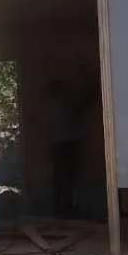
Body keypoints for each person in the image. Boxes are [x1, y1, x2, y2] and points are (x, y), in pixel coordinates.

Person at [47, 73, 95, 219]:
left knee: (59, 177)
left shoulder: (53, 104)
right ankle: (66, 209)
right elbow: (86, 101)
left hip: (58, 145)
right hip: (67, 145)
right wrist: (88, 81)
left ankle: (58, 209)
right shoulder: (65, 103)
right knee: (68, 177)